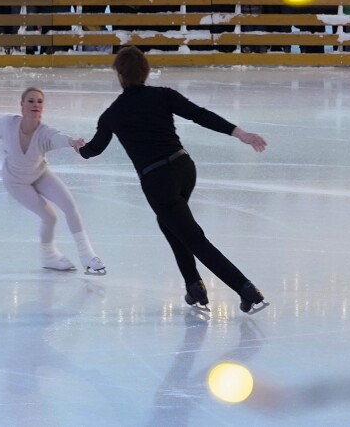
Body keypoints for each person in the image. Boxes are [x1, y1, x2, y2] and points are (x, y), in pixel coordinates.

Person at [79, 47, 270, 315]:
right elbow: (199, 114)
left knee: (194, 239)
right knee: (171, 225)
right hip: (183, 168)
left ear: (120, 75)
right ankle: (194, 287)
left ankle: (246, 289)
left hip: (157, 180)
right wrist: (240, 133)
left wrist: (78, 147)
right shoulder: (163, 95)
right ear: (145, 71)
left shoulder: (113, 113)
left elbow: (93, 150)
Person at [0, 88, 106, 274]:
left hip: (39, 174)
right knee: (50, 217)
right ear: (21, 105)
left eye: (39, 101)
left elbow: (58, 137)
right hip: (16, 182)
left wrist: (73, 142)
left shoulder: (44, 132)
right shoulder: (7, 123)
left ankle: (87, 254)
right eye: (30, 101)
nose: (35, 104)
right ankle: (49, 257)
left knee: (69, 204)